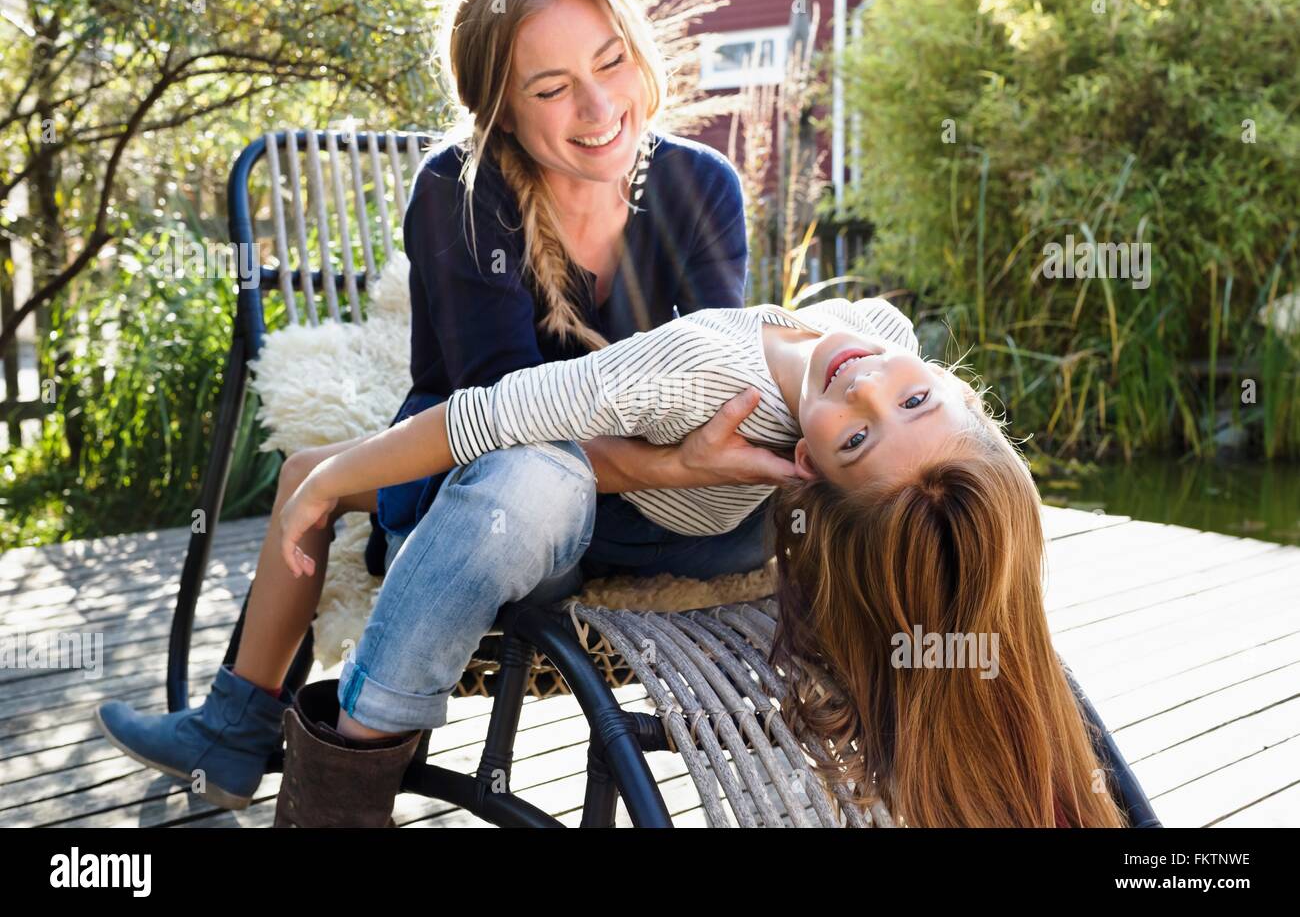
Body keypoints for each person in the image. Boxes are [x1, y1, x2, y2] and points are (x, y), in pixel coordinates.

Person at [94, 0, 797, 822]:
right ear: (499, 107)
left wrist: (691, 464)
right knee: (349, 476)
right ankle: (239, 730)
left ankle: (233, 730)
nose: (599, 106)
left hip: (639, 506)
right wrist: (673, 462)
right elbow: (498, 415)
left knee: (310, 479)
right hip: (510, 471)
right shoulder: (460, 190)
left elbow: (719, 372)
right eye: (552, 87)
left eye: (611, 62)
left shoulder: (699, 184)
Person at [281, 291, 1127, 828]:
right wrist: (327, 485)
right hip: (548, 504)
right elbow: (488, 417)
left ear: (813, 481)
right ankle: (340, 786)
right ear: (958, 387)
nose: (868, 385)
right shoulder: (717, 362)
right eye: (914, 399)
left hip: (692, 522)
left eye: (860, 438)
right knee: (519, 484)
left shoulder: (808, 407)